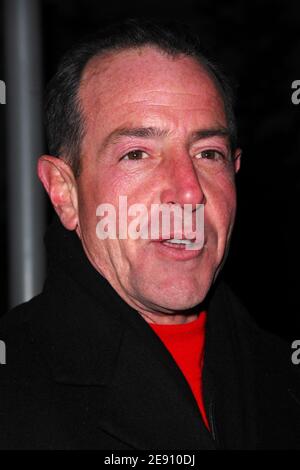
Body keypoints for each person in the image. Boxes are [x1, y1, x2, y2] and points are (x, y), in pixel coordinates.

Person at [0, 18, 300, 450]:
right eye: (137, 153)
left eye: (208, 153)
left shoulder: (282, 378)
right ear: (65, 193)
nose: (189, 190)